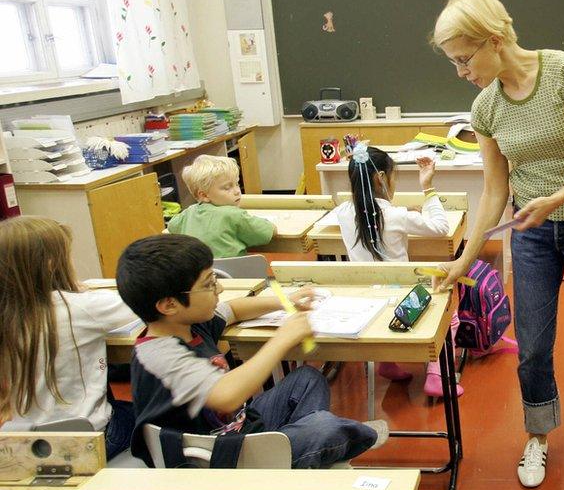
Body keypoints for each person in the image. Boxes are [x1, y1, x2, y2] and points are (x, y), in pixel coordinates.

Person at [430, 0, 564, 488]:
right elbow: (495, 190)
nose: (461, 72)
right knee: (534, 346)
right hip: (533, 235)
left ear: (494, 40)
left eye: (463, 59)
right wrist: (464, 262)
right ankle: (537, 435)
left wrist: (555, 201)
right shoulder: (486, 109)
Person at [116, 234, 384, 467]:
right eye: (209, 283)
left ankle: (293, 447)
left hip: (242, 430)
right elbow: (226, 396)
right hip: (216, 460)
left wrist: (284, 301)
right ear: (169, 305)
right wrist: (281, 339)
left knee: (307, 379)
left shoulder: (188, 324)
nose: (219, 288)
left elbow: (233, 309)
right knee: (326, 428)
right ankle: (326, 441)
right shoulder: (159, 355)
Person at [0, 216, 139, 459]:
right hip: (87, 441)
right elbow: (141, 303)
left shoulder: (7, 314)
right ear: (54, 264)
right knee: (149, 413)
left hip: (21, 445)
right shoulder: (79, 307)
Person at [332, 143, 459, 397]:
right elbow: (441, 227)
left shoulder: (343, 212)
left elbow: (369, 215)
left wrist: (400, 212)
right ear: (381, 178)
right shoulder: (396, 216)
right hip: (400, 302)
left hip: (364, 302)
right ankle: (436, 376)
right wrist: (427, 187)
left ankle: (386, 364)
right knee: (450, 313)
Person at [167, 154, 275, 258]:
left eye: (237, 184)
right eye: (227, 188)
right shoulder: (234, 215)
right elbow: (267, 233)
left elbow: (171, 226)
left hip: (199, 274)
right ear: (204, 195)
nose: (237, 191)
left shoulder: (188, 213)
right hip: (236, 275)